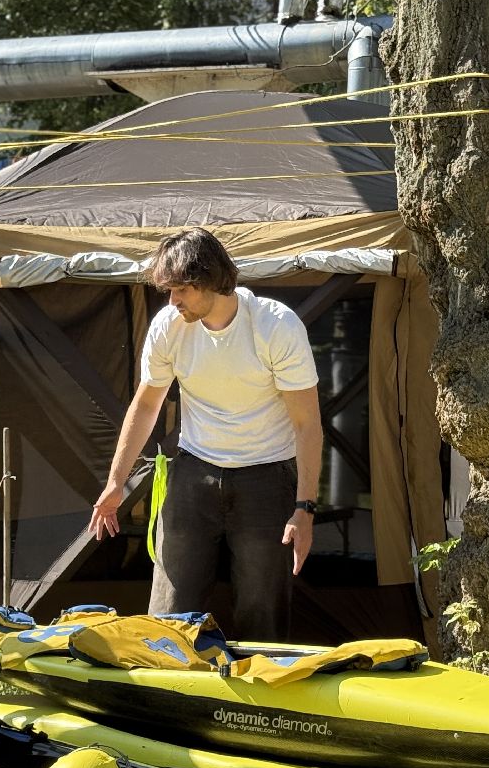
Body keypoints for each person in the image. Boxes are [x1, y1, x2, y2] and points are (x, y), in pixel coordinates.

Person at [88, 228, 323, 642]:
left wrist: (304, 508)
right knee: (169, 609)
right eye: (169, 291)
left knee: (261, 611)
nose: (172, 301)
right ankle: (164, 678)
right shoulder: (169, 326)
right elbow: (146, 405)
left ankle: (259, 683)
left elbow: (307, 424)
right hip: (194, 470)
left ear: (210, 280)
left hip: (267, 477)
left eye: (180, 289)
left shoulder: (275, 325)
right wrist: (115, 483)